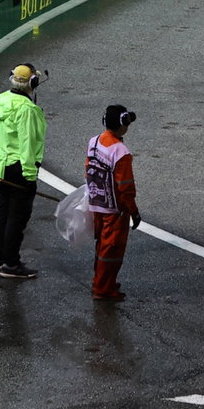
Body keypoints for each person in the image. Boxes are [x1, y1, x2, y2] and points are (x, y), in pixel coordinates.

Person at [0, 64, 48, 279]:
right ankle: (11, 264)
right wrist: (30, 175)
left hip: (0, 165)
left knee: (4, 212)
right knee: (17, 216)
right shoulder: (27, 109)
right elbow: (28, 144)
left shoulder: (0, 100)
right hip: (19, 168)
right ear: (32, 83)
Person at [86, 104, 141, 301]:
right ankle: (103, 289)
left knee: (101, 245)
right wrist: (133, 211)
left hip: (96, 203)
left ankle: (101, 281)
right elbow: (125, 188)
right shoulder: (121, 152)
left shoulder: (94, 141)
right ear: (122, 123)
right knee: (111, 249)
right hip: (115, 210)